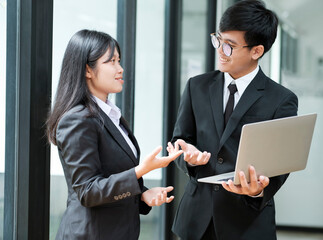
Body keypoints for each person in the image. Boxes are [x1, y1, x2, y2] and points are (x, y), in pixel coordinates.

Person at [167, 1, 298, 239]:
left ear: (256, 51)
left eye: (229, 46)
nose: (220, 50)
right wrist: (190, 158)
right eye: (218, 40)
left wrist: (259, 190)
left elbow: (281, 163)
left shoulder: (281, 99)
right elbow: (180, 139)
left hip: (247, 222)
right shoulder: (197, 86)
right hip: (196, 221)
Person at [46, 29, 182, 240]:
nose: (120, 69)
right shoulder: (77, 119)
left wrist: (143, 195)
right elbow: (88, 191)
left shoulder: (108, 115)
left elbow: (110, 175)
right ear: (87, 70)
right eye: (111, 62)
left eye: (119, 60)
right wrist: (140, 170)